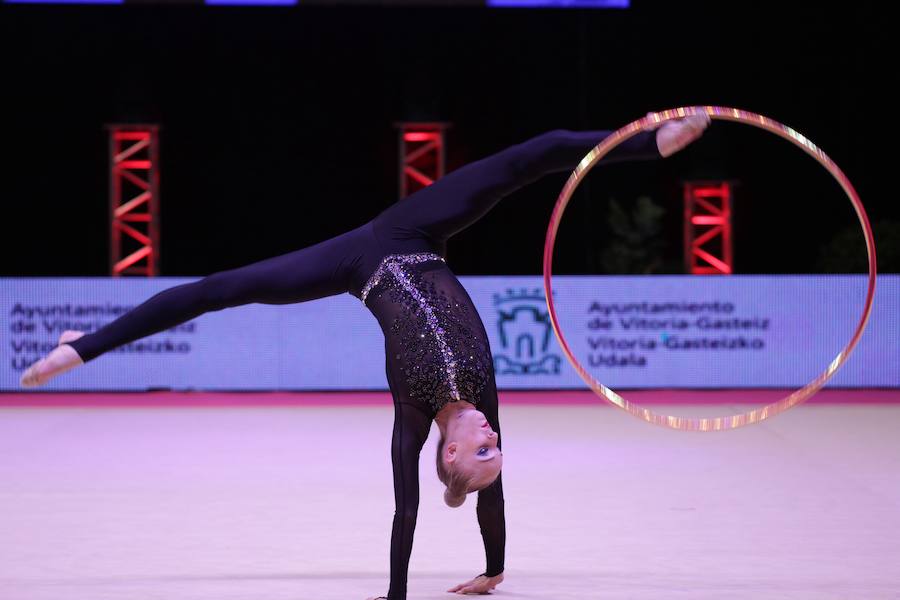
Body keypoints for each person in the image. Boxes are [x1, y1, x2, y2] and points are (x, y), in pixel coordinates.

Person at [21, 113, 710, 599]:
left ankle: (81, 350)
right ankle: (655, 142)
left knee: (219, 290)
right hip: (419, 234)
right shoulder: (483, 398)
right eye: (498, 448)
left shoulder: (412, 417)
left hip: (360, 261)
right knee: (529, 158)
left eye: (483, 450)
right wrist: (495, 568)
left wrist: (396, 598)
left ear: (450, 455)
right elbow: (491, 497)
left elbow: (404, 515)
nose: (494, 439)